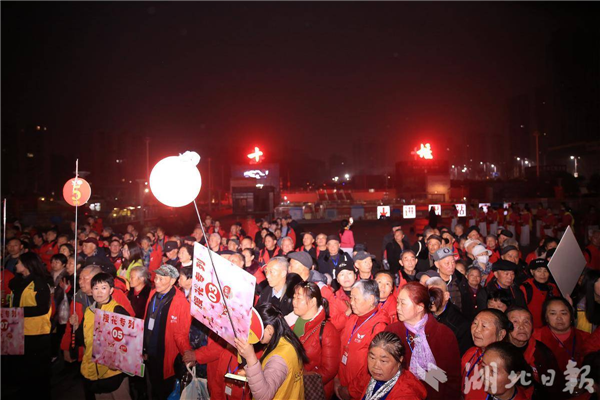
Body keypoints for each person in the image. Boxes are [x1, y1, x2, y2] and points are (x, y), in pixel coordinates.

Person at [385, 281, 461, 400]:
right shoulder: (392, 331)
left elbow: (452, 379)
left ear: (420, 307)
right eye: (397, 302)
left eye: (403, 303)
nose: (397, 307)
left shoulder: (443, 334)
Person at [73, 273, 132, 400]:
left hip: (113, 373)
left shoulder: (117, 310)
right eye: (96, 288)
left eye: (104, 288)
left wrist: (118, 362)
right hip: (93, 372)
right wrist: (76, 326)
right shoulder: (89, 311)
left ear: (111, 290)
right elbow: (83, 341)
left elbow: (131, 342)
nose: (99, 292)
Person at [234, 303, 308, 400]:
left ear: (269, 329)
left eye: (256, 331)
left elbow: (264, 396)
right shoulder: (287, 342)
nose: (253, 335)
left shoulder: (279, 358)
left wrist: (250, 357)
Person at [6, 252, 53, 398]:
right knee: (23, 366)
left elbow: (42, 308)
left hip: (37, 333)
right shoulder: (18, 281)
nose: (16, 265)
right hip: (19, 329)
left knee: (38, 368)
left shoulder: (39, 283)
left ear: (27, 265)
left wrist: (17, 312)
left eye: (19, 262)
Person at [143, 265, 193, 400]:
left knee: (163, 391)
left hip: (166, 356)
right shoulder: (153, 293)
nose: (156, 281)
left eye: (161, 279)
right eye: (156, 278)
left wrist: (186, 352)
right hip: (149, 352)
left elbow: (181, 333)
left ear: (172, 281)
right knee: (150, 388)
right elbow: (146, 319)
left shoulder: (180, 302)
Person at [335, 280, 389, 400]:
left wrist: (351, 391)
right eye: (351, 298)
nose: (351, 303)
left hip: (359, 392)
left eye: (355, 299)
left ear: (370, 299)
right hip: (341, 384)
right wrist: (337, 378)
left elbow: (375, 368)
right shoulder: (353, 319)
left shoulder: (379, 326)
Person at [286, 281, 340, 399]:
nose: (294, 302)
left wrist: (300, 380)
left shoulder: (327, 331)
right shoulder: (290, 323)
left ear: (313, 302)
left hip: (312, 391)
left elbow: (329, 370)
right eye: (294, 297)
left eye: (299, 298)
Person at [505, 306, 563, 396]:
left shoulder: (542, 352)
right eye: (515, 322)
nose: (522, 327)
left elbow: (555, 387)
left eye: (526, 322)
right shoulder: (498, 351)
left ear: (532, 327)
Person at [461, 309, 512, 400]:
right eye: (475, 323)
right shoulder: (471, 352)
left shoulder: (506, 361)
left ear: (501, 334)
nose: (476, 330)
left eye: (484, 326)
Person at [360, 332, 427, 400]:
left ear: (399, 360)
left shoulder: (406, 393)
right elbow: (353, 391)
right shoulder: (367, 376)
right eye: (372, 358)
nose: (375, 366)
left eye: (383, 361)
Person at [532, 297, 591, 374]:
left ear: (571, 316)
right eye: (553, 313)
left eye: (564, 313)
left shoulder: (586, 338)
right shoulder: (534, 337)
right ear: (546, 317)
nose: (559, 318)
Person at [426, 277, 473, 355]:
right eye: (429, 295)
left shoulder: (460, 324)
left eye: (436, 295)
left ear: (446, 296)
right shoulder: (422, 316)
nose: (432, 301)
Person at [520, 259, 559, 329]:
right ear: (532, 272)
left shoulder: (553, 287)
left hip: (551, 329)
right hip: (532, 331)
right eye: (539, 271)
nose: (542, 274)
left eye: (545, 271)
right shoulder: (525, 288)